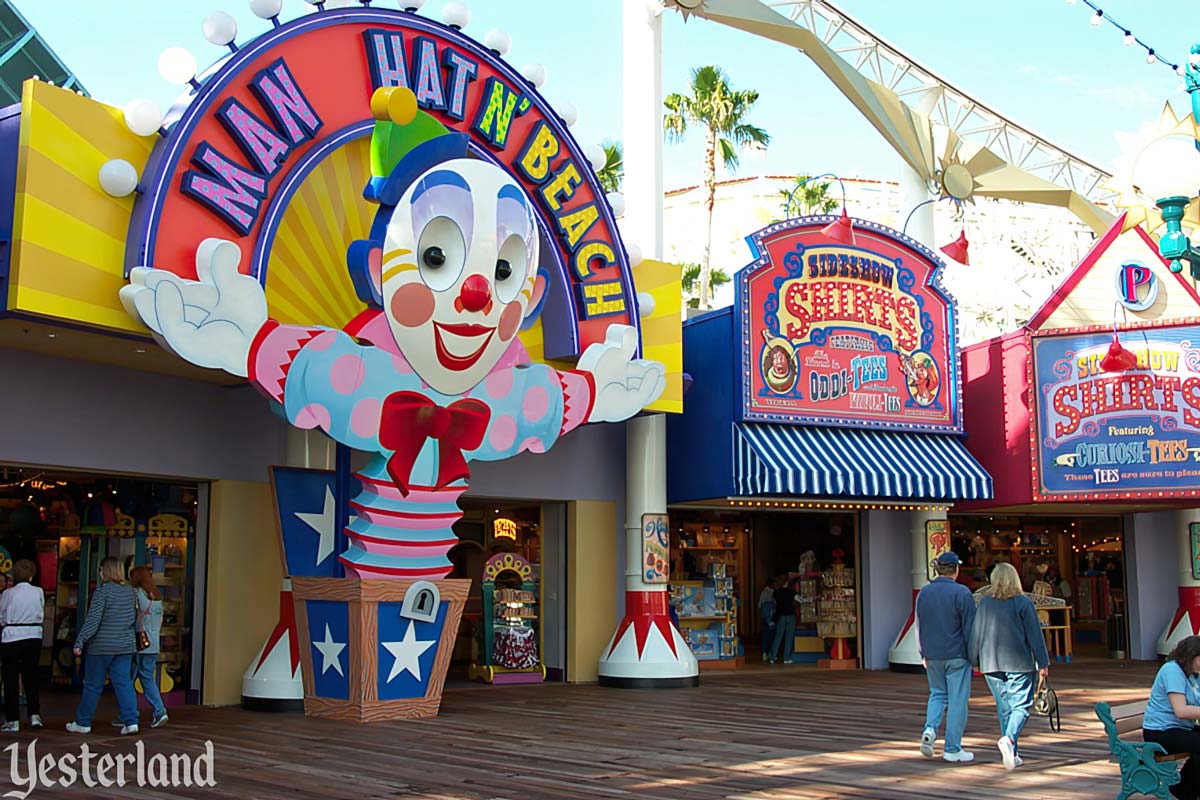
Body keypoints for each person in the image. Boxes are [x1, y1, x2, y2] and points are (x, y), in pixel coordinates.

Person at [968, 562, 1050, 770]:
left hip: (990, 663)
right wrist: (1043, 662)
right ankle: (1010, 741)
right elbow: (1035, 636)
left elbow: (975, 633)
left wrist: (973, 659)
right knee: (1021, 707)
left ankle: (1012, 754)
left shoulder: (985, 603)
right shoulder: (1023, 603)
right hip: (1018, 662)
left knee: (1004, 708)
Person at [66, 558, 139, 735]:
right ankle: (131, 722)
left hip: (101, 646)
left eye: (100, 570)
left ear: (105, 572)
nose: (99, 573)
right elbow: (133, 619)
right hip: (124, 645)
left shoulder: (102, 592)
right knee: (124, 683)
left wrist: (80, 640)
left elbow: (93, 620)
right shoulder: (131, 591)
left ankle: (83, 722)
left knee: (93, 684)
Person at [917, 551, 976, 763]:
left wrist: (922, 652)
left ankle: (930, 729)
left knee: (937, 694)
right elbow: (970, 628)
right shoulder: (963, 593)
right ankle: (952, 747)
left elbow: (919, 624)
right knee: (957, 699)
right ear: (956, 569)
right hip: (957, 653)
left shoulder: (924, 593)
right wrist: (974, 655)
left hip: (932, 653)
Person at [1143, 635, 1200, 800]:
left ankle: (1186, 789)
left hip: (1180, 728)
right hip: (1160, 731)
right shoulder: (1172, 670)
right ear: (1190, 656)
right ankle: (1184, 790)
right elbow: (1181, 711)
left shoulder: (1194, 673)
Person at [0, 560, 43, 732]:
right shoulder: (38, 591)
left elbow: (2, 616)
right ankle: (34, 715)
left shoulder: (8, 594)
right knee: (31, 676)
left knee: (10, 678)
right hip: (34, 635)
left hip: (11, 636)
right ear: (32, 575)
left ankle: (13, 719)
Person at [127, 566, 168, 729]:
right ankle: (159, 710)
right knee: (147, 678)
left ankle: (129, 714)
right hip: (154, 644)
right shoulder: (157, 597)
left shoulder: (135, 593)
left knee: (127, 680)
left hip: (139, 643)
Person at [768, 577, 797, 664]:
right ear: (787, 583)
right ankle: (786, 658)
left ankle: (772, 657)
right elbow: (800, 600)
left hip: (781, 616)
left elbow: (774, 603)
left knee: (778, 637)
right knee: (789, 638)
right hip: (791, 615)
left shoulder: (776, 592)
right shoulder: (791, 592)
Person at [758, 577, 777, 660]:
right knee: (766, 635)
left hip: (773, 617)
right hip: (767, 618)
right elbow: (760, 604)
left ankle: (770, 652)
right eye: (775, 583)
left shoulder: (775, 592)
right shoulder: (765, 592)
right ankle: (765, 652)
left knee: (772, 636)